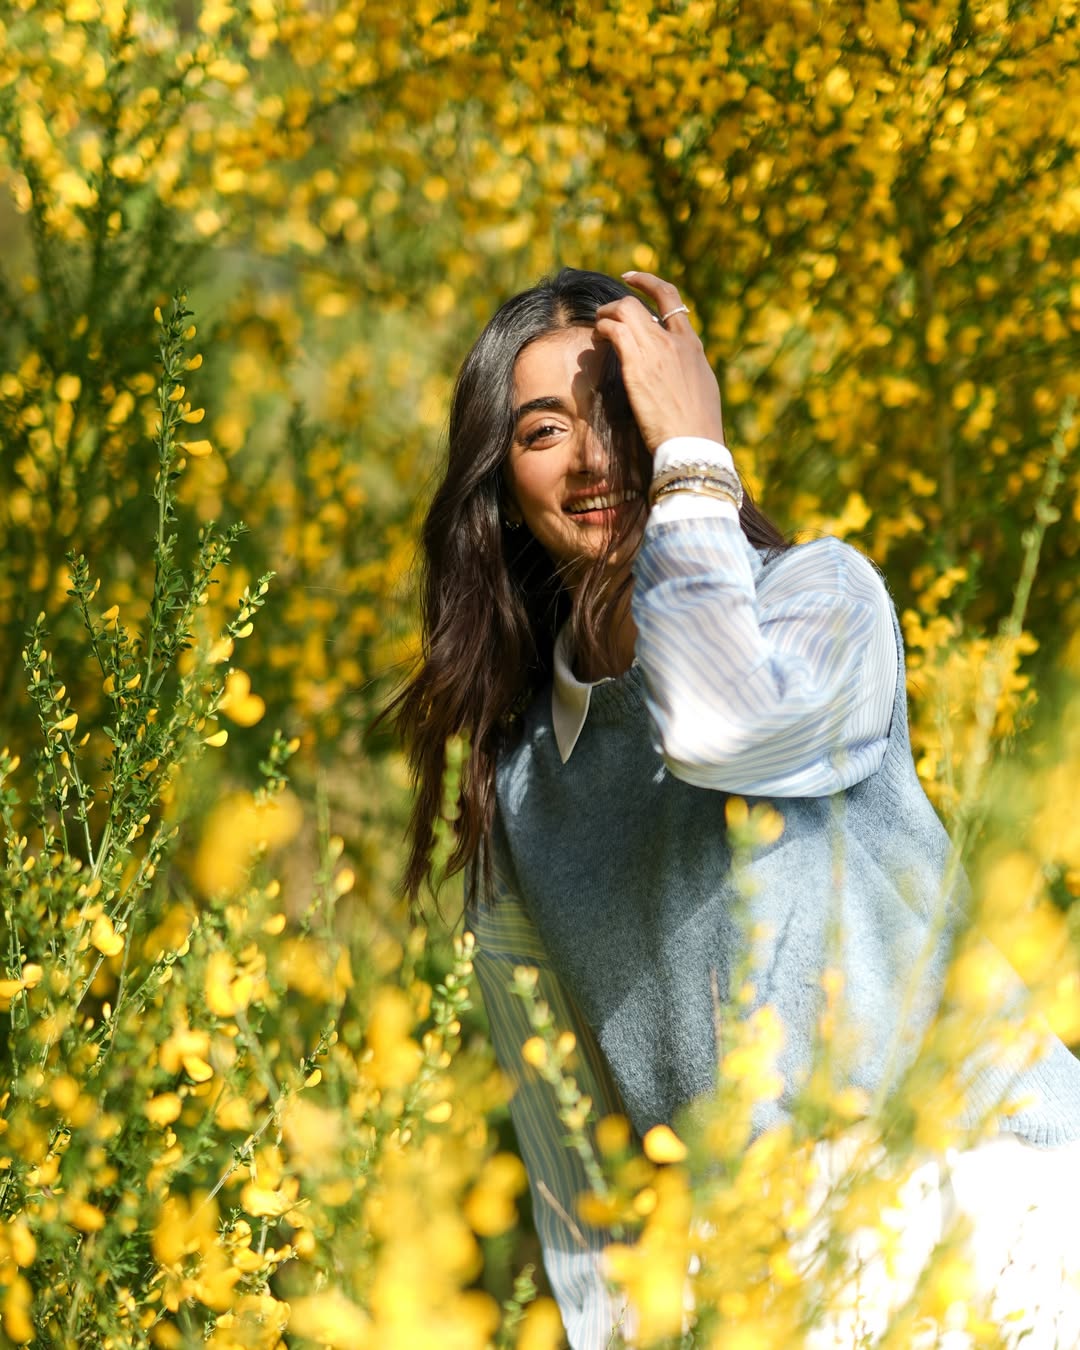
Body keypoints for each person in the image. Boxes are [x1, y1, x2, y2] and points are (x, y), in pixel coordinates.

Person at [389, 267, 1080, 1347]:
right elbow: (571, 1143)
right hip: (758, 1258)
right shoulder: (518, 779)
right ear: (501, 485)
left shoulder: (822, 601)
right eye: (544, 430)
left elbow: (717, 725)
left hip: (981, 1200)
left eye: (625, 410)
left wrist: (692, 463)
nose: (593, 457)